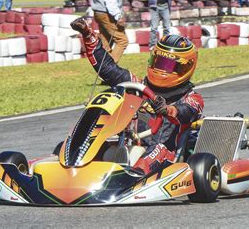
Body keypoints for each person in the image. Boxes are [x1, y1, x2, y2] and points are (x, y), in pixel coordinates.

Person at [71, 18, 203, 175]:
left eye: (167, 65)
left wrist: (167, 109)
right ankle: (73, 166)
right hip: (131, 146)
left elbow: (185, 111)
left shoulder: (192, 98)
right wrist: (87, 34)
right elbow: (107, 68)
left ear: (184, 68)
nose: (161, 68)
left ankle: (132, 177)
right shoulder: (137, 85)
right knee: (96, 144)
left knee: (157, 149)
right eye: (158, 62)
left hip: (167, 155)